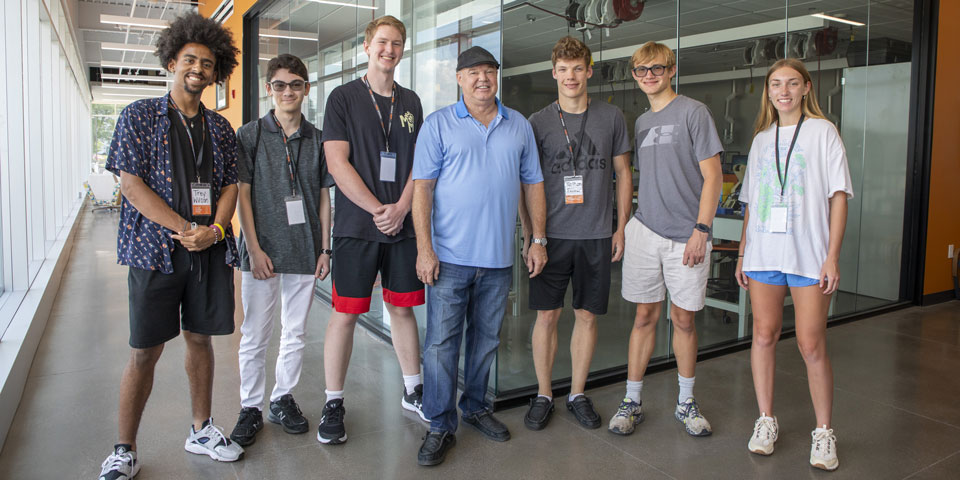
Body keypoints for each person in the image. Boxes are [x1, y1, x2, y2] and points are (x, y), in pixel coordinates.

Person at [99, 13, 243, 480]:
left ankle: (201, 429)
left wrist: (216, 231)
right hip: (154, 252)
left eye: (207, 62)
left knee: (200, 340)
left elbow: (228, 187)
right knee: (145, 349)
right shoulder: (139, 116)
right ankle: (124, 448)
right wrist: (186, 228)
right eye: (190, 59)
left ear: (216, 69)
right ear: (171, 61)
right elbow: (132, 185)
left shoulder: (219, 128)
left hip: (207, 252)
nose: (198, 68)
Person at [412, 46, 546, 466]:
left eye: (489, 71)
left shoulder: (518, 126)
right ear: (459, 78)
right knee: (440, 345)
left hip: (497, 259)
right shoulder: (438, 125)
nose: (482, 78)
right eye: (473, 72)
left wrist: (537, 237)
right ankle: (439, 423)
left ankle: (474, 408)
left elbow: (533, 185)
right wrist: (425, 249)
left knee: (486, 341)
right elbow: (423, 190)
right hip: (448, 258)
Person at [735, 58, 852, 471]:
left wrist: (832, 256)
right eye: (775, 84)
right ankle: (766, 420)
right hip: (765, 253)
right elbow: (750, 200)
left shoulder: (823, 132)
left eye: (791, 83)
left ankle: (823, 432)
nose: (783, 91)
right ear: (768, 91)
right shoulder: (762, 139)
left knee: (810, 344)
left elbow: (838, 196)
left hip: (808, 254)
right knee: (763, 336)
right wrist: (745, 248)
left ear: (806, 88)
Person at [318, 15, 426, 446]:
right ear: (367, 46)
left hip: (402, 223)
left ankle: (413, 389)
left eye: (397, 43)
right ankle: (333, 402)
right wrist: (379, 208)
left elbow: (421, 163)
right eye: (382, 42)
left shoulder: (412, 101)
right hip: (355, 227)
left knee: (402, 309)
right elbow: (336, 162)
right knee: (345, 314)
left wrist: (401, 207)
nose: (390, 49)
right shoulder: (342, 98)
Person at [607, 41, 723, 437]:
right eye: (641, 70)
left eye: (656, 68)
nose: (649, 75)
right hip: (646, 231)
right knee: (643, 317)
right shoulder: (640, 122)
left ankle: (686, 402)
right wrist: (626, 226)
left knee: (683, 320)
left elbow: (714, 177)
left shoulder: (695, 112)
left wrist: (701, 230)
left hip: (686, 237)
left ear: (671, 70)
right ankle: (632, 400)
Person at [520, 36, 632, 431]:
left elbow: (623, 173)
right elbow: (526, 182)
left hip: (597, 234)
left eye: (577, 68)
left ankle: (578, 393)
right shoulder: (538, 122)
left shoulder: (612, 117)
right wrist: (532, 235)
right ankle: (544, 394)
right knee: (546, 315)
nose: (571, 76)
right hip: (551, 237)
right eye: (563, 69)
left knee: (586, 315)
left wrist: (621, 228)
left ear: (589, 71)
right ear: (554, 73)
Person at [229, 54, 334, 447]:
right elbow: (242, 195)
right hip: (262, 253)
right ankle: (250, 406)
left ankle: (281, 397)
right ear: (269, 89)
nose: (287, 91)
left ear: (306, 89)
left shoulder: (319, 138)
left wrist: (325, 248)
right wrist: (253, 249)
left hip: (305, 250)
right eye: (279, 85)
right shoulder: (251, 135)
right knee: (255, 333)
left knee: (296, 332)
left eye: (295, 84)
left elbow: (323, 197)